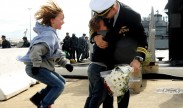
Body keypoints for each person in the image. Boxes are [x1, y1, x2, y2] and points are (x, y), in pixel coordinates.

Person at [85, 0, 148, 108]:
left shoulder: (132, 16)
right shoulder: (102, 11)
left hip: (122, 61)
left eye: (105, 16)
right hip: (104, 60)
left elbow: (142, 39)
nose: (103, 18)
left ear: (113, 9)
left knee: (122, 94)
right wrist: (94, 37)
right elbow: (92, 26)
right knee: (106, 96)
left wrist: (138, 58)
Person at [17, 1, 73, 108]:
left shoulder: (52, 34)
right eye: (61, 19)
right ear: (52, 20)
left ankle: (39, 97)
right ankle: (44, 105)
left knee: (61, 81)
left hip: (41, 67)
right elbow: (36, 50)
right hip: (36, 67)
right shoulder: (49, 35)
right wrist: (36, 65)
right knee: (58, 85)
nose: (63, 22)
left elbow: (56, 54)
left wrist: (66, 64)